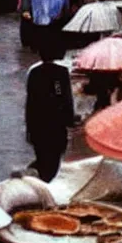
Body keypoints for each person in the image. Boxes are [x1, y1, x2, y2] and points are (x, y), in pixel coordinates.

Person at [25, 42, 75, 182]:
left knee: (42, 157)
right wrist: (69, 120)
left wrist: (29, 127)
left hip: (37, 124)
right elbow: (63, 96)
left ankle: (41, 180)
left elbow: (30, 102)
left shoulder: (34, 72)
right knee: (53, 159)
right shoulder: (60, 73)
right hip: (55, 125)